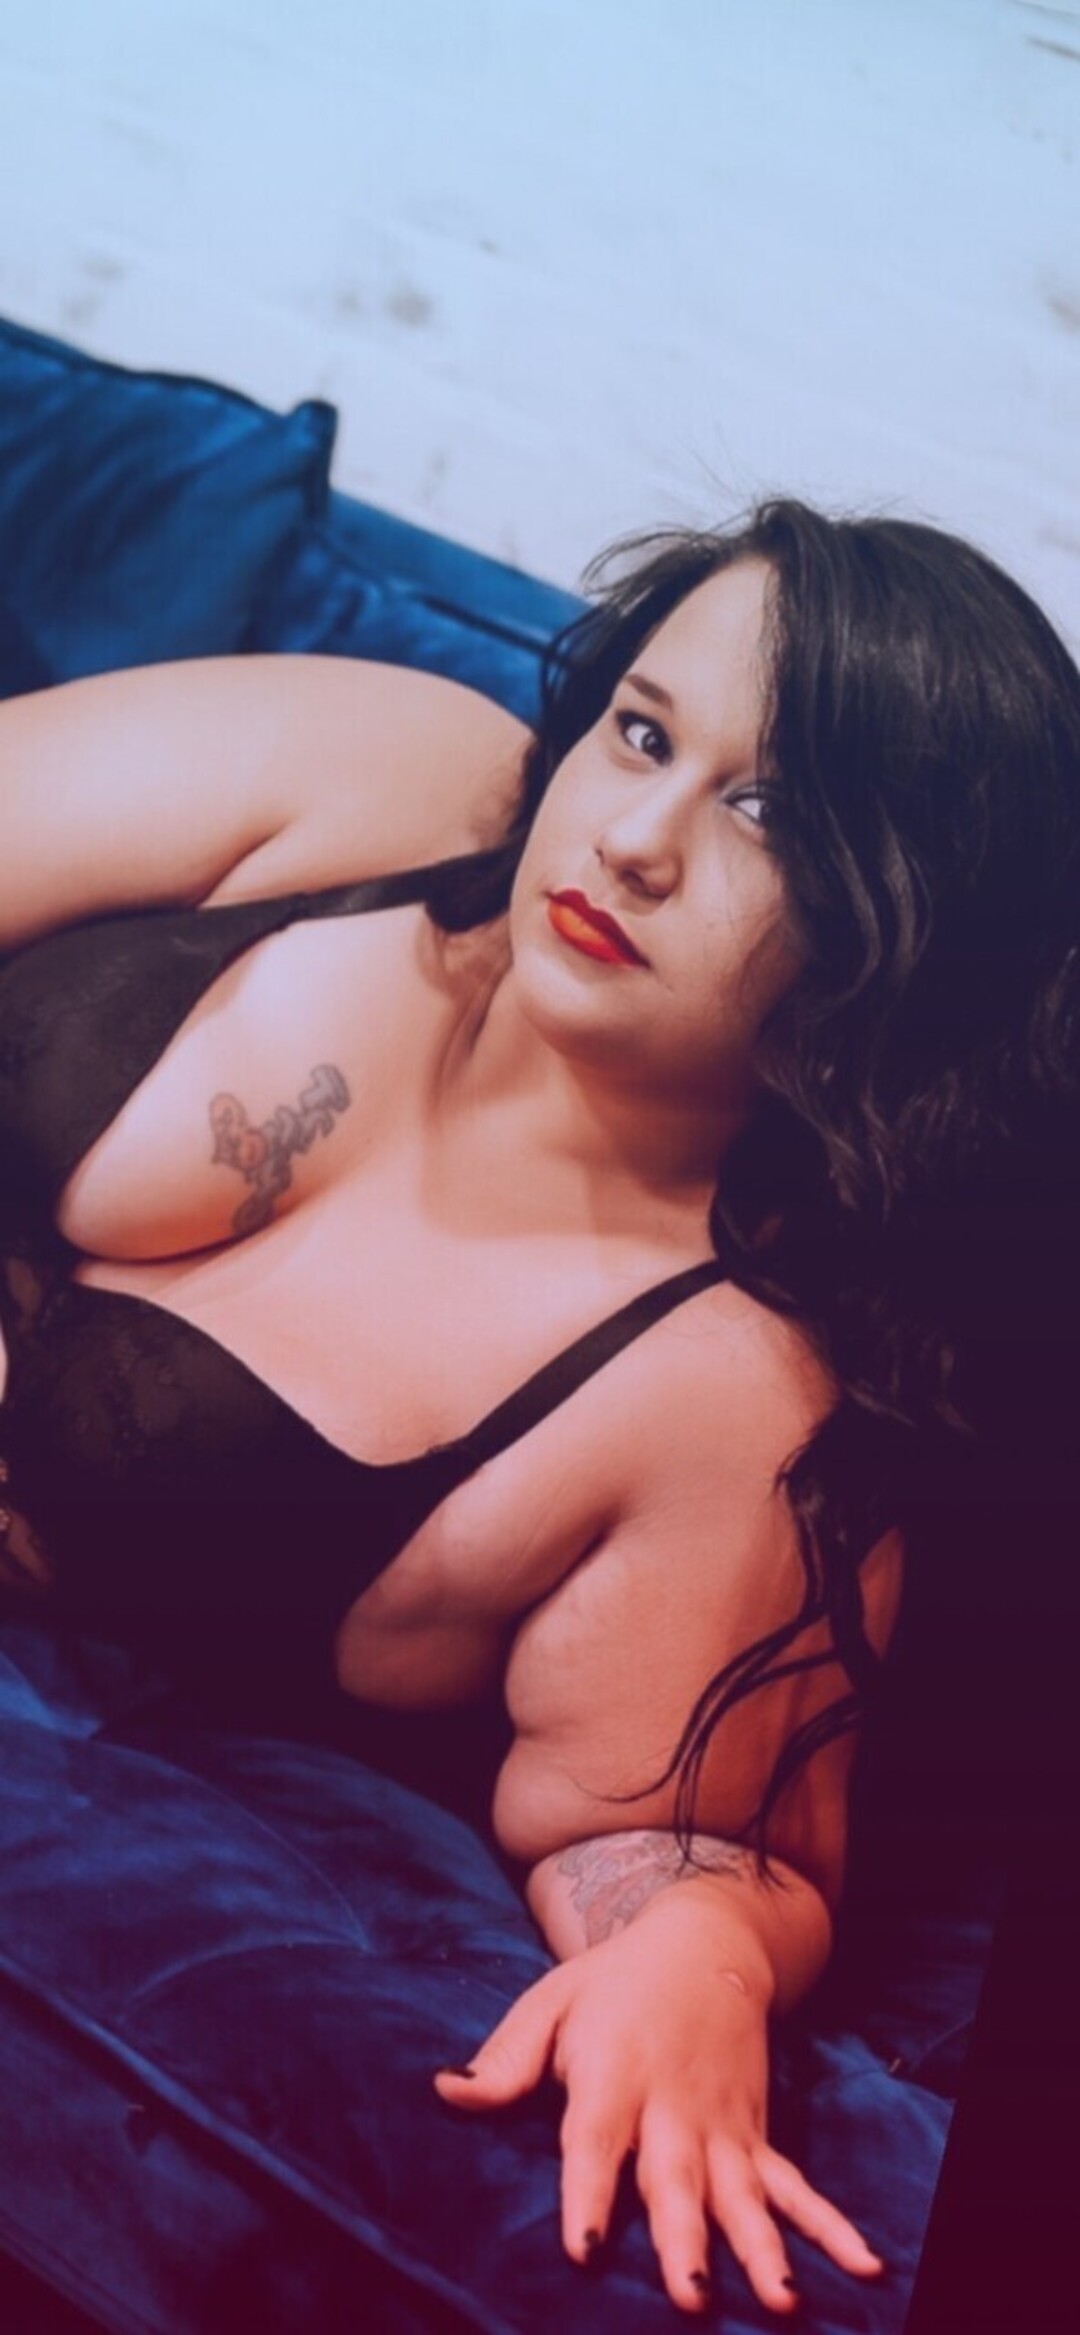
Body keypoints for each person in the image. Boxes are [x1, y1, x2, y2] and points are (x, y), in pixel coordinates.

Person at [0, 498, 1076, 2321]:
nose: (636, 839)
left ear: (900, 944)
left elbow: (677, 1848)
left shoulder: (721, 1393)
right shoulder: (386, 780)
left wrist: (700, 1969)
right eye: (645, 734)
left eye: (769, 816)